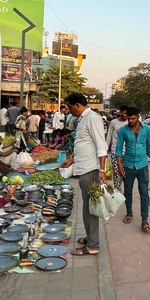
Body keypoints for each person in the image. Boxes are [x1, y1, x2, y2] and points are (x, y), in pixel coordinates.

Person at [59, 92, 108, 256]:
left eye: (70, 107)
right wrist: (72, 159)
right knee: (87, 207)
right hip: (83, 167)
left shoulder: (92, 118)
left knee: (91, 209)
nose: (69, 111)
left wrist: (102, 170)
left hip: (91, 170)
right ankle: (90, 237)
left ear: (77, 105)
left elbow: (101, 145)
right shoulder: (82, 119)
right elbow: (82, 144)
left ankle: (93, 246)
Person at [116, 106, 150, 232]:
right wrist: (119, 164)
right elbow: (118, 149)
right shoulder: (123, 130)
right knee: (128, 191)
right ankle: (129, 212)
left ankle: (144, 220)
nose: (130, 121)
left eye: (132, 118)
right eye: (128, 118)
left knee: (144, 193)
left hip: (142, 166)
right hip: (128, 165)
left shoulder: (147, 130)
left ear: (138, 116)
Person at [105, 105, 128, 191]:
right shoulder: (114, 122)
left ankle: (124, 191)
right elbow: (109, 136)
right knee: (117, 173)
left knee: (124, 173)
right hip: (115, 152)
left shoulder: (129, 123)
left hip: (127, 152)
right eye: (124, 113)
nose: (126, 115)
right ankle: (117, 191)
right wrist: (105, 151)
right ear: (120, 112)